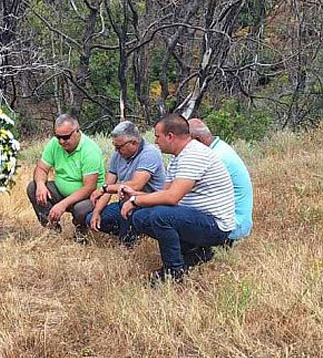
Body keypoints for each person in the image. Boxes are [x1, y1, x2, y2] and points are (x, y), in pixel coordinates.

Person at [120, 114, 235, 282]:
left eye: (158, 137)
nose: (156, 141)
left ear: (170, 136)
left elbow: (172, 198)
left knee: (160, 216)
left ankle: (174, 271)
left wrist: (135, 201)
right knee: (140, 217)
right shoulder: (178, 157)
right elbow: (163, 194)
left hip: (215, 225)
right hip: (194, 217)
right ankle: (194, 252)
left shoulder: (193, 155)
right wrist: (134, 194)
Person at [86, 121, 166, 247]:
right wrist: (96, 212)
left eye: (119, 147)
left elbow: (135, 185)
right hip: (125, 204)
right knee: (91, 217)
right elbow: (108, 186)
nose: (116, 150)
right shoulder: (117, 156)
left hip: (148, 204)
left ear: (134, 143)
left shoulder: (150, 153)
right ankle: (129, 232)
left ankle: (135, 234)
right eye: (115, 146)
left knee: (127, 239)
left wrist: (105, 188)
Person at [26, 114, 105, 241]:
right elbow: (41, 168)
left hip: (87, 197)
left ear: (77, 131)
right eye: (58, 137)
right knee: (33, 187)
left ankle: (81, 233)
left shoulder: (90, 151)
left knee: (82, 209)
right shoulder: (54, 144)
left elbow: (89, 187)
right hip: (61, 192)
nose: (62, 141)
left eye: (66, 137)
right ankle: (51, 229)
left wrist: (62, 204)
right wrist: (40, 185)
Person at [189, 118, 254, 241]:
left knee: (173, 216)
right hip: (235, 221)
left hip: (231, 227)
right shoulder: (219, 148)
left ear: (197, 140)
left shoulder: (215, 158)